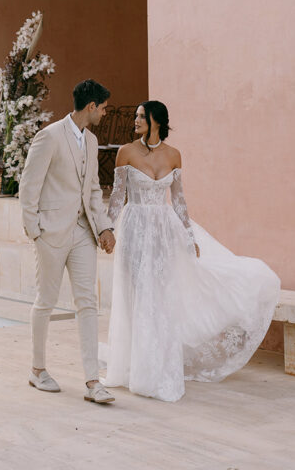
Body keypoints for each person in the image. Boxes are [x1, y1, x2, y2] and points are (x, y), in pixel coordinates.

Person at [101, 100, 280, 402]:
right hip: (134, 230)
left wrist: (188, 234)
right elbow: (117, 198)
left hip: (164, 232)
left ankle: (158, 368)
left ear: (156, 120)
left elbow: (179, 199)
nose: (136, 121)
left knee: (161, 297)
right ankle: (136, 367)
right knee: (138, 296)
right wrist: (108, 230)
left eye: (141, 116)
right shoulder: (126, 152)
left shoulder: (174, 155)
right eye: (135, 117)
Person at [20, 78, 117, 404]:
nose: (105, 113)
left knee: (87, 302)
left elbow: (91, 191)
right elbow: (28, 186)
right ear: (91, 106)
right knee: (45, 301)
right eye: (103, 108)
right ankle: (37, 370)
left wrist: (104, 228)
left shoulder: (90, 141)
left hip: (82, 233)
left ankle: (93, 382)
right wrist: (35, 231)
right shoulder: (49, 136)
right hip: (50, 232)